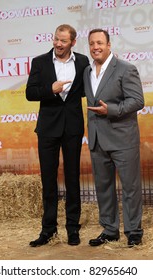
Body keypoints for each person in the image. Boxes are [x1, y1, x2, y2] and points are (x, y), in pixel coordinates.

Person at [26, 24, 89, 247]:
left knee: (73, 179)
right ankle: (48, 230)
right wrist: (49, 90)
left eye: (63, 41)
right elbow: (30, 93)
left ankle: (73, 229)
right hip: (47, 129)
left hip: (72, 128)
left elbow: (88, 90)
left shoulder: (82, 62)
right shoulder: (39, 62)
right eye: (56, 39)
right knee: (48, 181)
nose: (58, 44)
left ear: (72, 42)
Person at [83, 28, 144, 247]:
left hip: (123, 140)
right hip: (98, 140)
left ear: (109, 45)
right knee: (103, 188)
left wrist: (111, 110)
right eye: (92, 43)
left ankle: (134, 231)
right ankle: (110, 230)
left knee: (130, 188)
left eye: (99, 42)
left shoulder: (126, 69)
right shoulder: (87, 72)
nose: (95, 47)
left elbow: (137, 101)